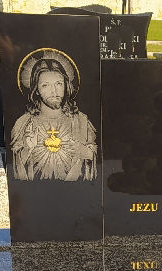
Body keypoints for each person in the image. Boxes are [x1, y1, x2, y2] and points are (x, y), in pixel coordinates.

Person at [10, 51, 97, 181]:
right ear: (36, 90)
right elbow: (15, 170)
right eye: (45, 85)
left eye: (59, 84)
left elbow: (95, 160)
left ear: (66, 86)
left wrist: (85, 152)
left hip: (76, 190)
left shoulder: (81, 121)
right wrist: (27, 149)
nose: (54, 91)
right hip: (36, 190)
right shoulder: (24, 123)